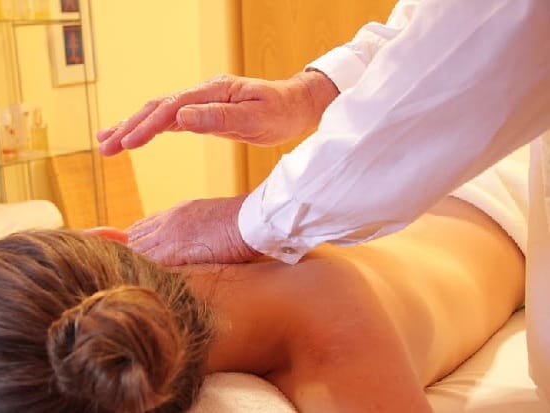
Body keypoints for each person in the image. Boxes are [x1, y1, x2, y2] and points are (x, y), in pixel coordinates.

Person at [97, 0, 550, 398]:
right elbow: (477, 21)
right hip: (495, 200)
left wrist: (253, 219)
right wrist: (312, 94)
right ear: (105, 237)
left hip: (485, 193)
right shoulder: (319, 312)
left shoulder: (310, 316)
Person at [0, 159, 527, 412]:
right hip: (421, 182)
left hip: (509, 194)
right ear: (109, 238)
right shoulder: (130, 274)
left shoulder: (333, 322)